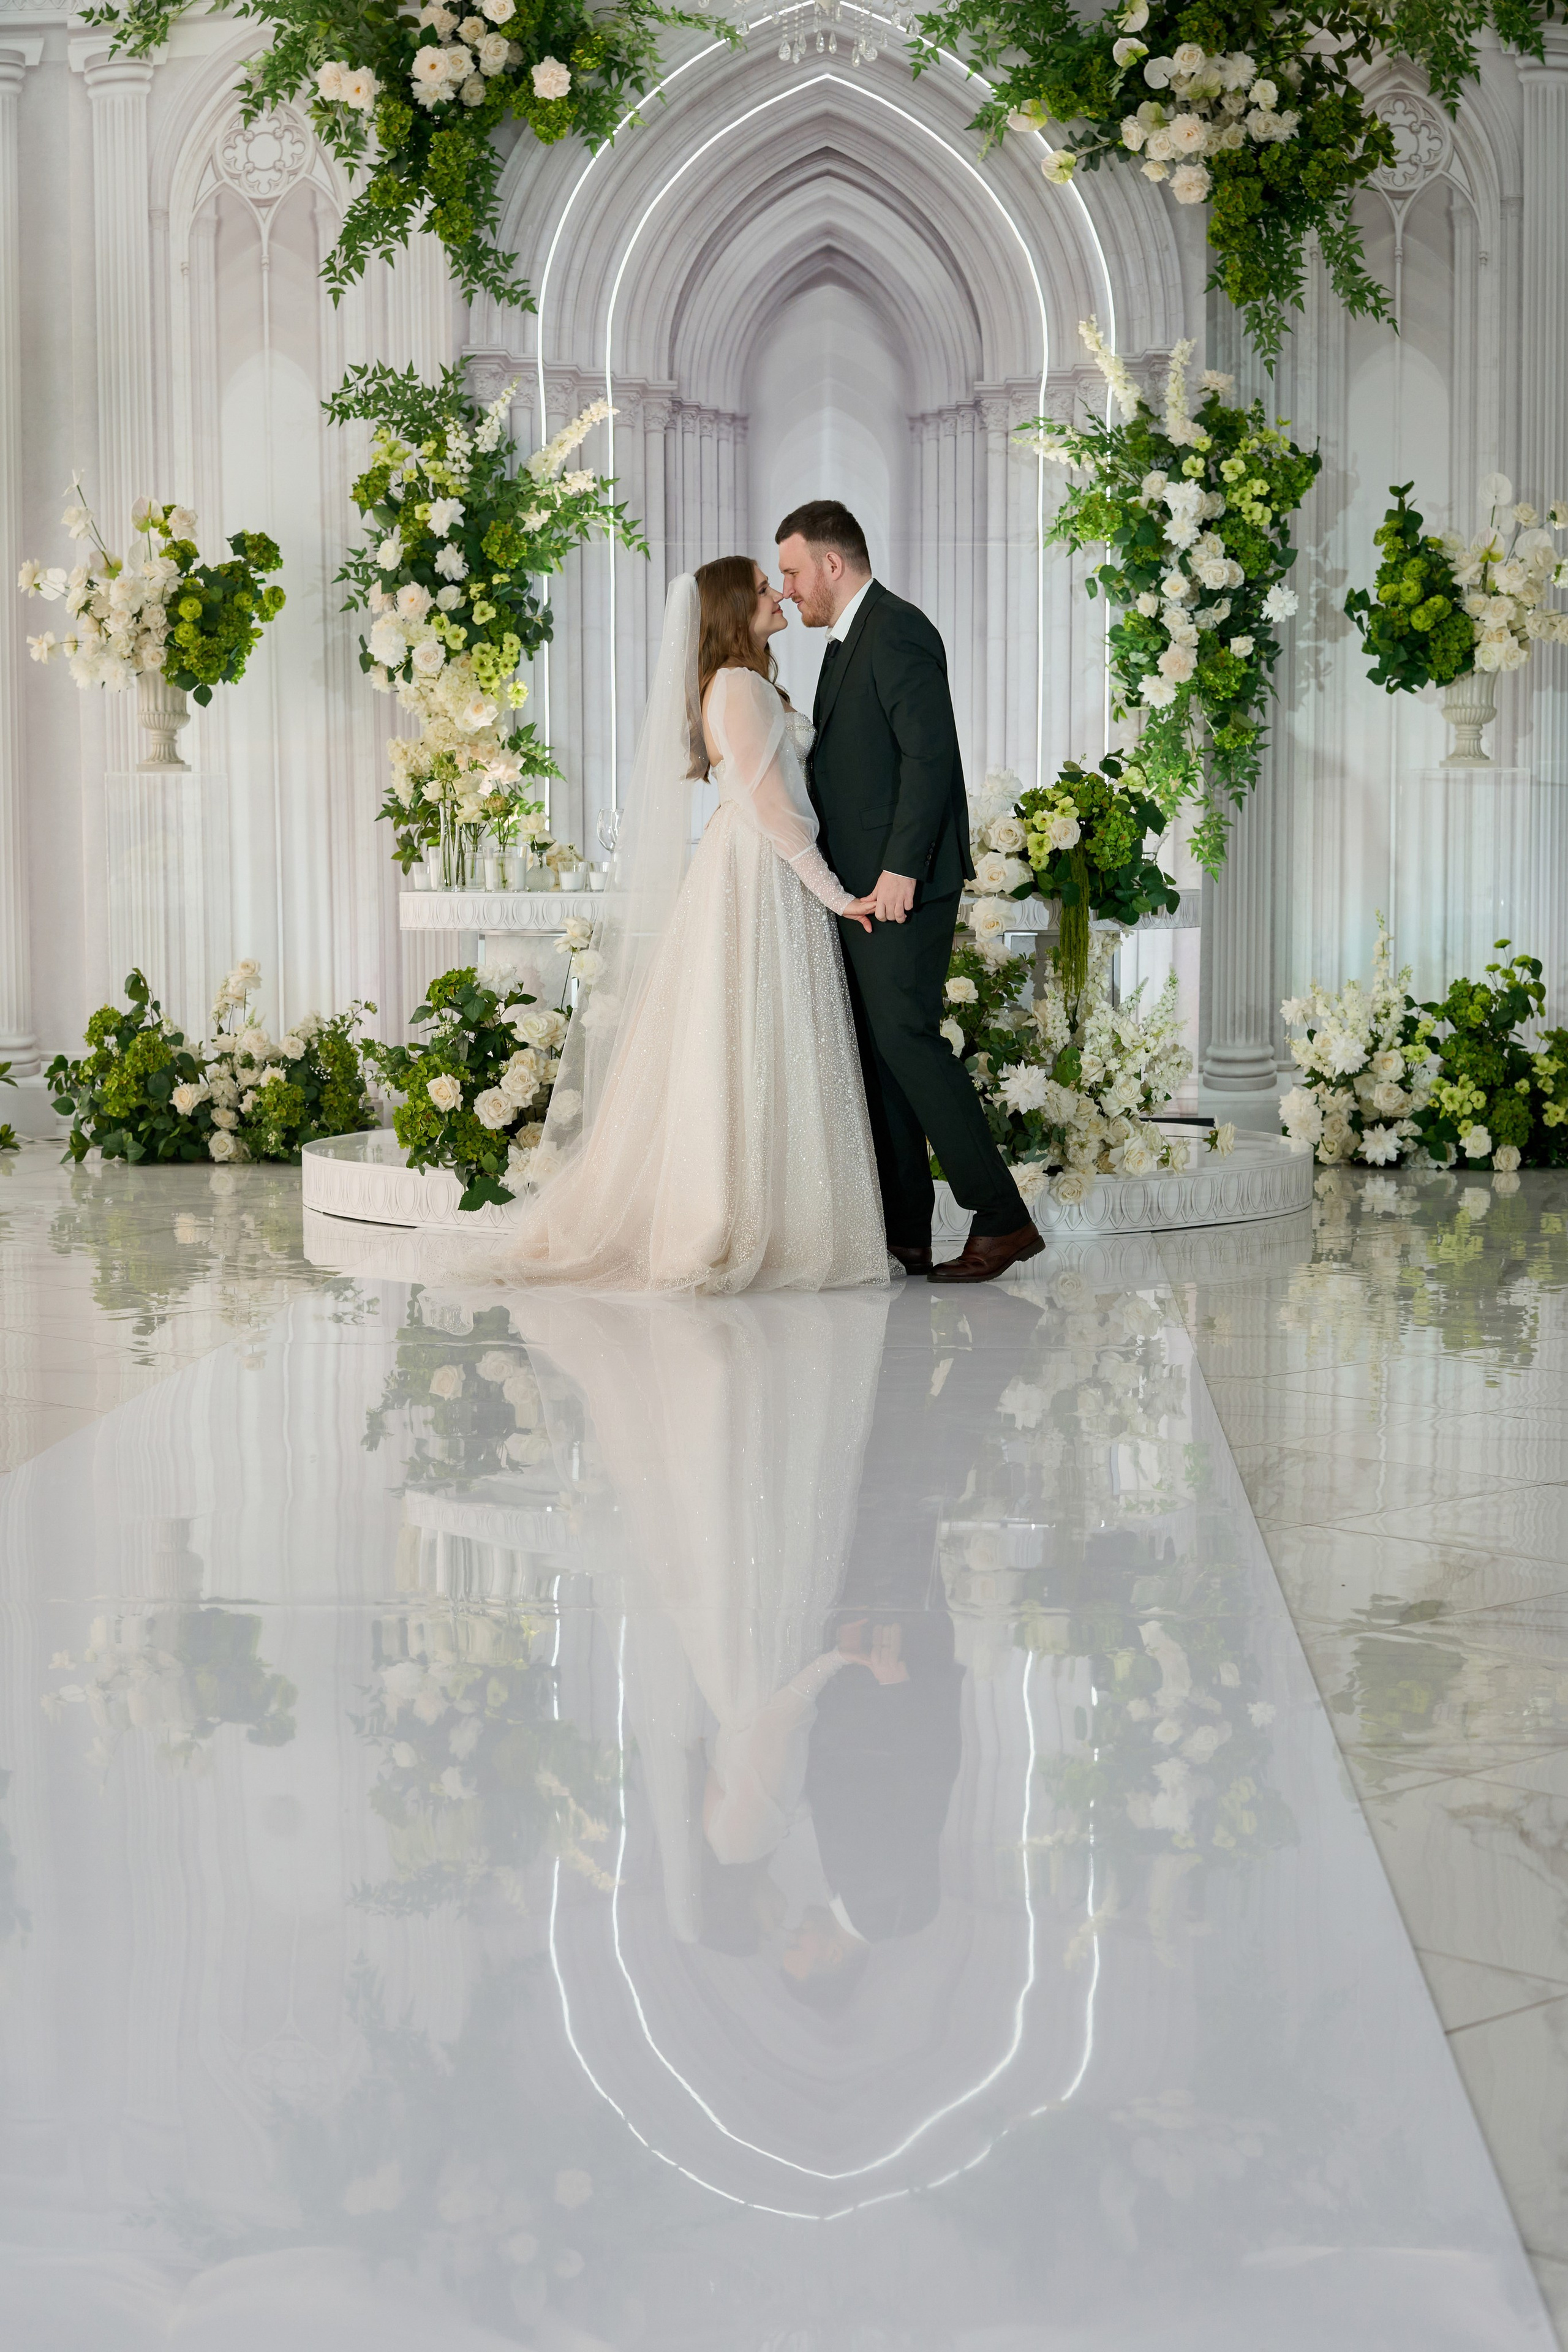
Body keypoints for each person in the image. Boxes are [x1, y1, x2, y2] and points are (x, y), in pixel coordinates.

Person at [494, 560, 888, 1292]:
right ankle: (740, 1216)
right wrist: (835, 895)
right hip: (761, 867)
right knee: (753, 1030)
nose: (780, 594)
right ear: (733, 611)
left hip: (752, 863)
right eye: (764, 589)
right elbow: (773, 807)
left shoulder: (743, 683)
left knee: (746, 1031)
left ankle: (763, 1207)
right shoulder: (739, 686)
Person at [775, 499, 1045, 1285]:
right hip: (859, 888)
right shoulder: (844, 642)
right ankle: (905, 1234)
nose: (787, 588)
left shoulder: (896, 629)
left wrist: (900, 869)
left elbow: (930, 759)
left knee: (909, 1043)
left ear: (832, 563)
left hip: (899, 885)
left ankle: (1002, 1218)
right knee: (880, 1053)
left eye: (792, 571)